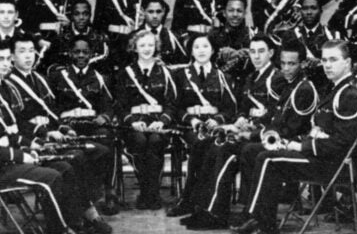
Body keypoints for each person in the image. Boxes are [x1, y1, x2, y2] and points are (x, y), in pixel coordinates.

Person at [235, 40, 357, 234]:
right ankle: (259, 220)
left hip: (332, 166)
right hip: (319, 157)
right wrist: (292, 143)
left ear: (348, 62)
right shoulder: (334, 90)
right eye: (324, 60)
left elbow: (341, 144)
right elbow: (319, 132)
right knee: (267, 154)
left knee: (268, 159)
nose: (327, 65)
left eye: (334, 60)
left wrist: (300, 147)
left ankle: (266, 230)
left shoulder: (349, 94)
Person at [0, 52, 89, 234]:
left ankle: (67, 226)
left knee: (63, 168)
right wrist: (21, 156)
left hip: (7, 162)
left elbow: (5, 136)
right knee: (51, 177)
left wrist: (29, 146)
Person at [1, 36, 114, 233]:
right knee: (77, 159)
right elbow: (16, 122)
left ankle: (83, 206)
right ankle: (81, 216)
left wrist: (63, 128)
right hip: (32, 142)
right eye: (22, 52)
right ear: (12, 57)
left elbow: (52, 111)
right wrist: (45, 131)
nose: (28, 56)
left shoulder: (41, 80)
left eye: (31, 51)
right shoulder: (9, 85)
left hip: (51, 136)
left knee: (100, 152)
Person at [184, 35, 285, 229]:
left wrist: (251, 127)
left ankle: (218, 212)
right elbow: (243, 107)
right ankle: (205, 207)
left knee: (225, 150)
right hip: (247, 130)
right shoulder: (251, 77)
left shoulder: (277, 78)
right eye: (253, 52)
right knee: (213, 146)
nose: (256, 56)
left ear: (271, 53)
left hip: (264, 135)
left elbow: (275, 114)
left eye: (261, 51)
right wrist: (240, 119)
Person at [234, 42, 321, 226]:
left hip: (297, 145)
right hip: (282, 139)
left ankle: (256, 214)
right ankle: (251, 210)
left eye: (292, 64)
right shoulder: (289, 85)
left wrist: (254, 135)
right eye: (283, 63)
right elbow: (276, 119)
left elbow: (291, 129)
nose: (286, 68)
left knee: (252, 150)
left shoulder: (304, 89)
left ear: (302, 64)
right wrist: (254, 128)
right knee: (249, 150)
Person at [46, 36, 121, 214]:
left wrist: (105, 116)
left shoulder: (100, 78)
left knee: (109, 137)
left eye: (85, 52)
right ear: (70, 53)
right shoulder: (58, 77)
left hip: (91, 123)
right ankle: (83, 194)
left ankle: (109, 191)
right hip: (67, 125)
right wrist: (61, 123)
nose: (80, 56)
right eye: (77, 52)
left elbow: (109, 105)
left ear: (92, 55)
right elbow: (51, 106)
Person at [167, 33, 238, 220]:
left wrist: (219, 119)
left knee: (209, 145)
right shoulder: (180, 75)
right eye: (196, 47)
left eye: (205, 46)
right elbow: (174, 106)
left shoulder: (223, 76)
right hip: (190, 127)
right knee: (200, 143)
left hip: (213, 126)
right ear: (191, 51)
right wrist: (191, 120)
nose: (201, 51)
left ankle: (202, 200)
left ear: (213, 50)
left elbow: (231, 108)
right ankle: (189, 199)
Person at [112, 29, 179, 209]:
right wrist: (131, 121)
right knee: (139, 141)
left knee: (156, 141)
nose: (147, 49)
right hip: (135, 124)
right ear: (134, 48)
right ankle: (146, 190)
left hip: (158, 123)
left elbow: (172, 103)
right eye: (142, 45)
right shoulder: (125, 74)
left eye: (150, 44)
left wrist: (163, 121)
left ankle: (153, 193)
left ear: (156, 46)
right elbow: (119, 105)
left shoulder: (166, 73)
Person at [49, 0, 110, 72]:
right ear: (71, 16)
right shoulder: (60, 38)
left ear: (90, 15)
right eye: (77, 14)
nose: (81, 18)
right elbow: (51, 66)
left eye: (85, 14)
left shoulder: (100, 38)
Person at [208, 0, 252, 85]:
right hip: (220, 84)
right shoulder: (213, 36)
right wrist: (220, 55)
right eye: (231, 10)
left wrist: (248, 52)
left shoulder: (253, 35)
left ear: (245, 13)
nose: (235, 14)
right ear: (224, 13)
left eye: (239, 11)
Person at [135, 0, 186, 69]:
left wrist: (166, 68)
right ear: (143, 11)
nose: (155, 16)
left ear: (164, 11)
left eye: (158, 12)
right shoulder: (134, 37)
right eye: (151, 12)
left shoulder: (173, 38)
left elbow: (183, 65)